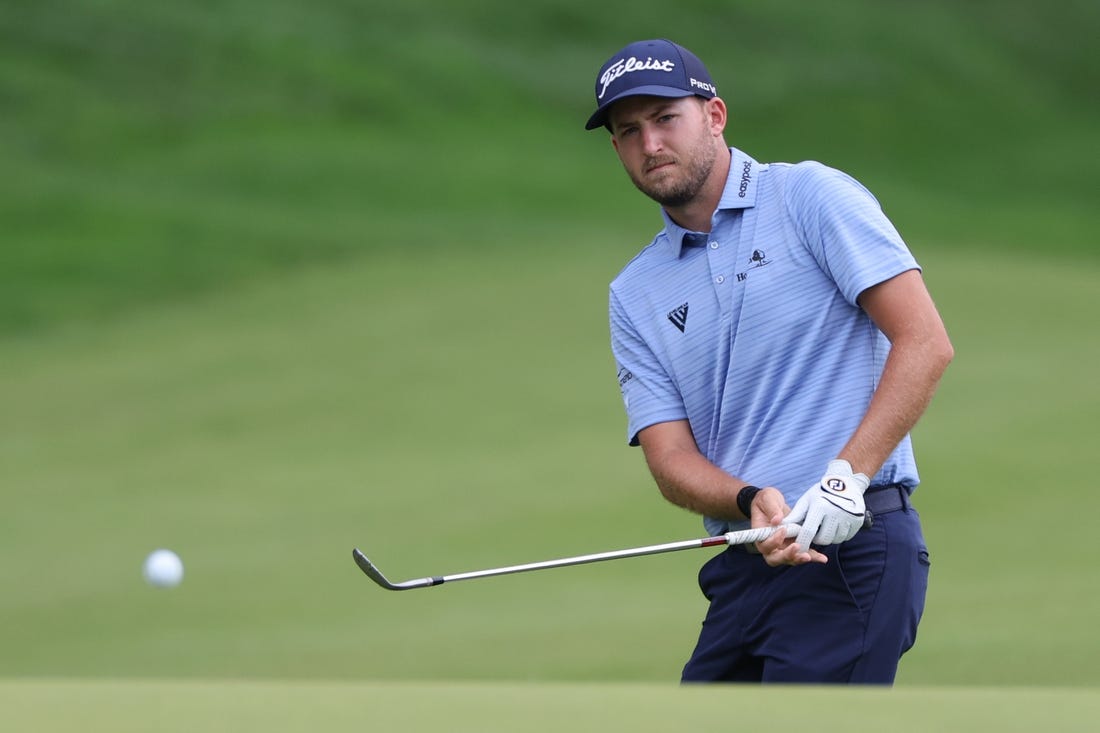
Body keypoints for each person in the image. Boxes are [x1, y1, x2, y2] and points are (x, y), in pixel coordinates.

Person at [585, 39, 954, 684]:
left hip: (851, 549)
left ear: (715, 115)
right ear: (616, 149)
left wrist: (846, 478)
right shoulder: (634, 291)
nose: (650, 145)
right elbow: (669, 461)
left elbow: (924, 341)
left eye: (666, 119)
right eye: (629, 131)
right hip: (743, 564)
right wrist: (750, 498)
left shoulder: (810, 196)